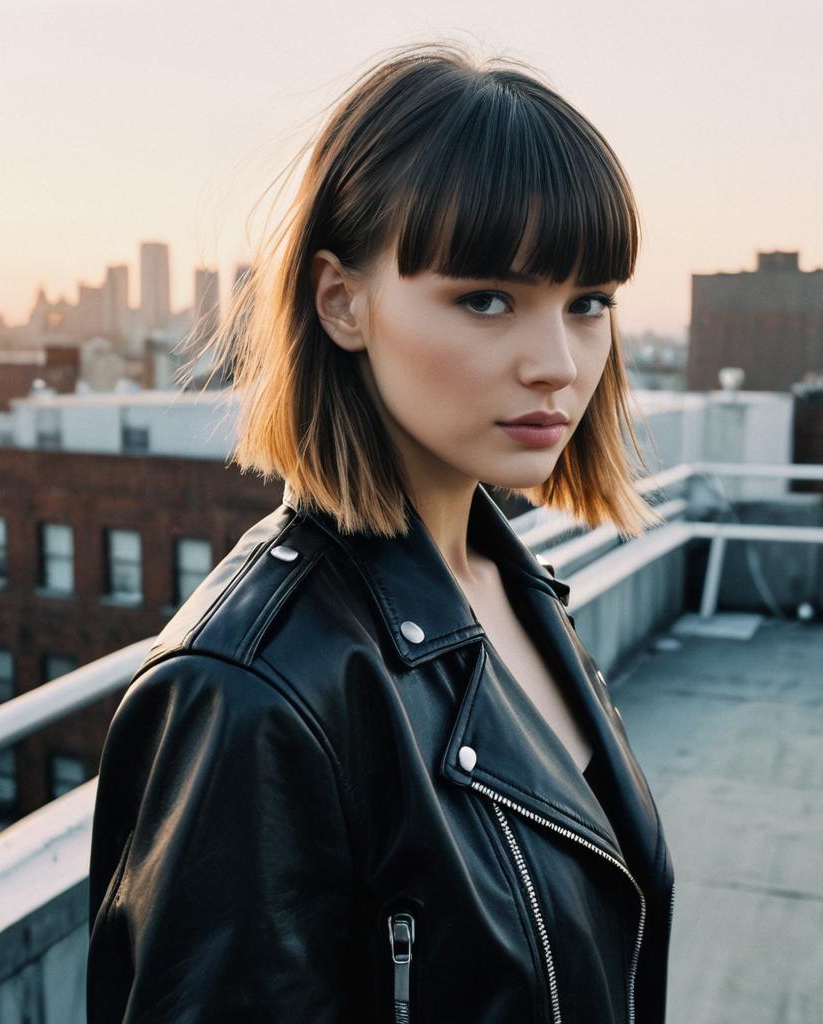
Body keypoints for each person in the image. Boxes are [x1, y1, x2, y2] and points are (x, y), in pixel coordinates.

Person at [87, 40, 674, 1023]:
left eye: (588, 304)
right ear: (341, 303)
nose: (559, 363)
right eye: (486, 298)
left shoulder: (511, 583)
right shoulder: (251, 691)